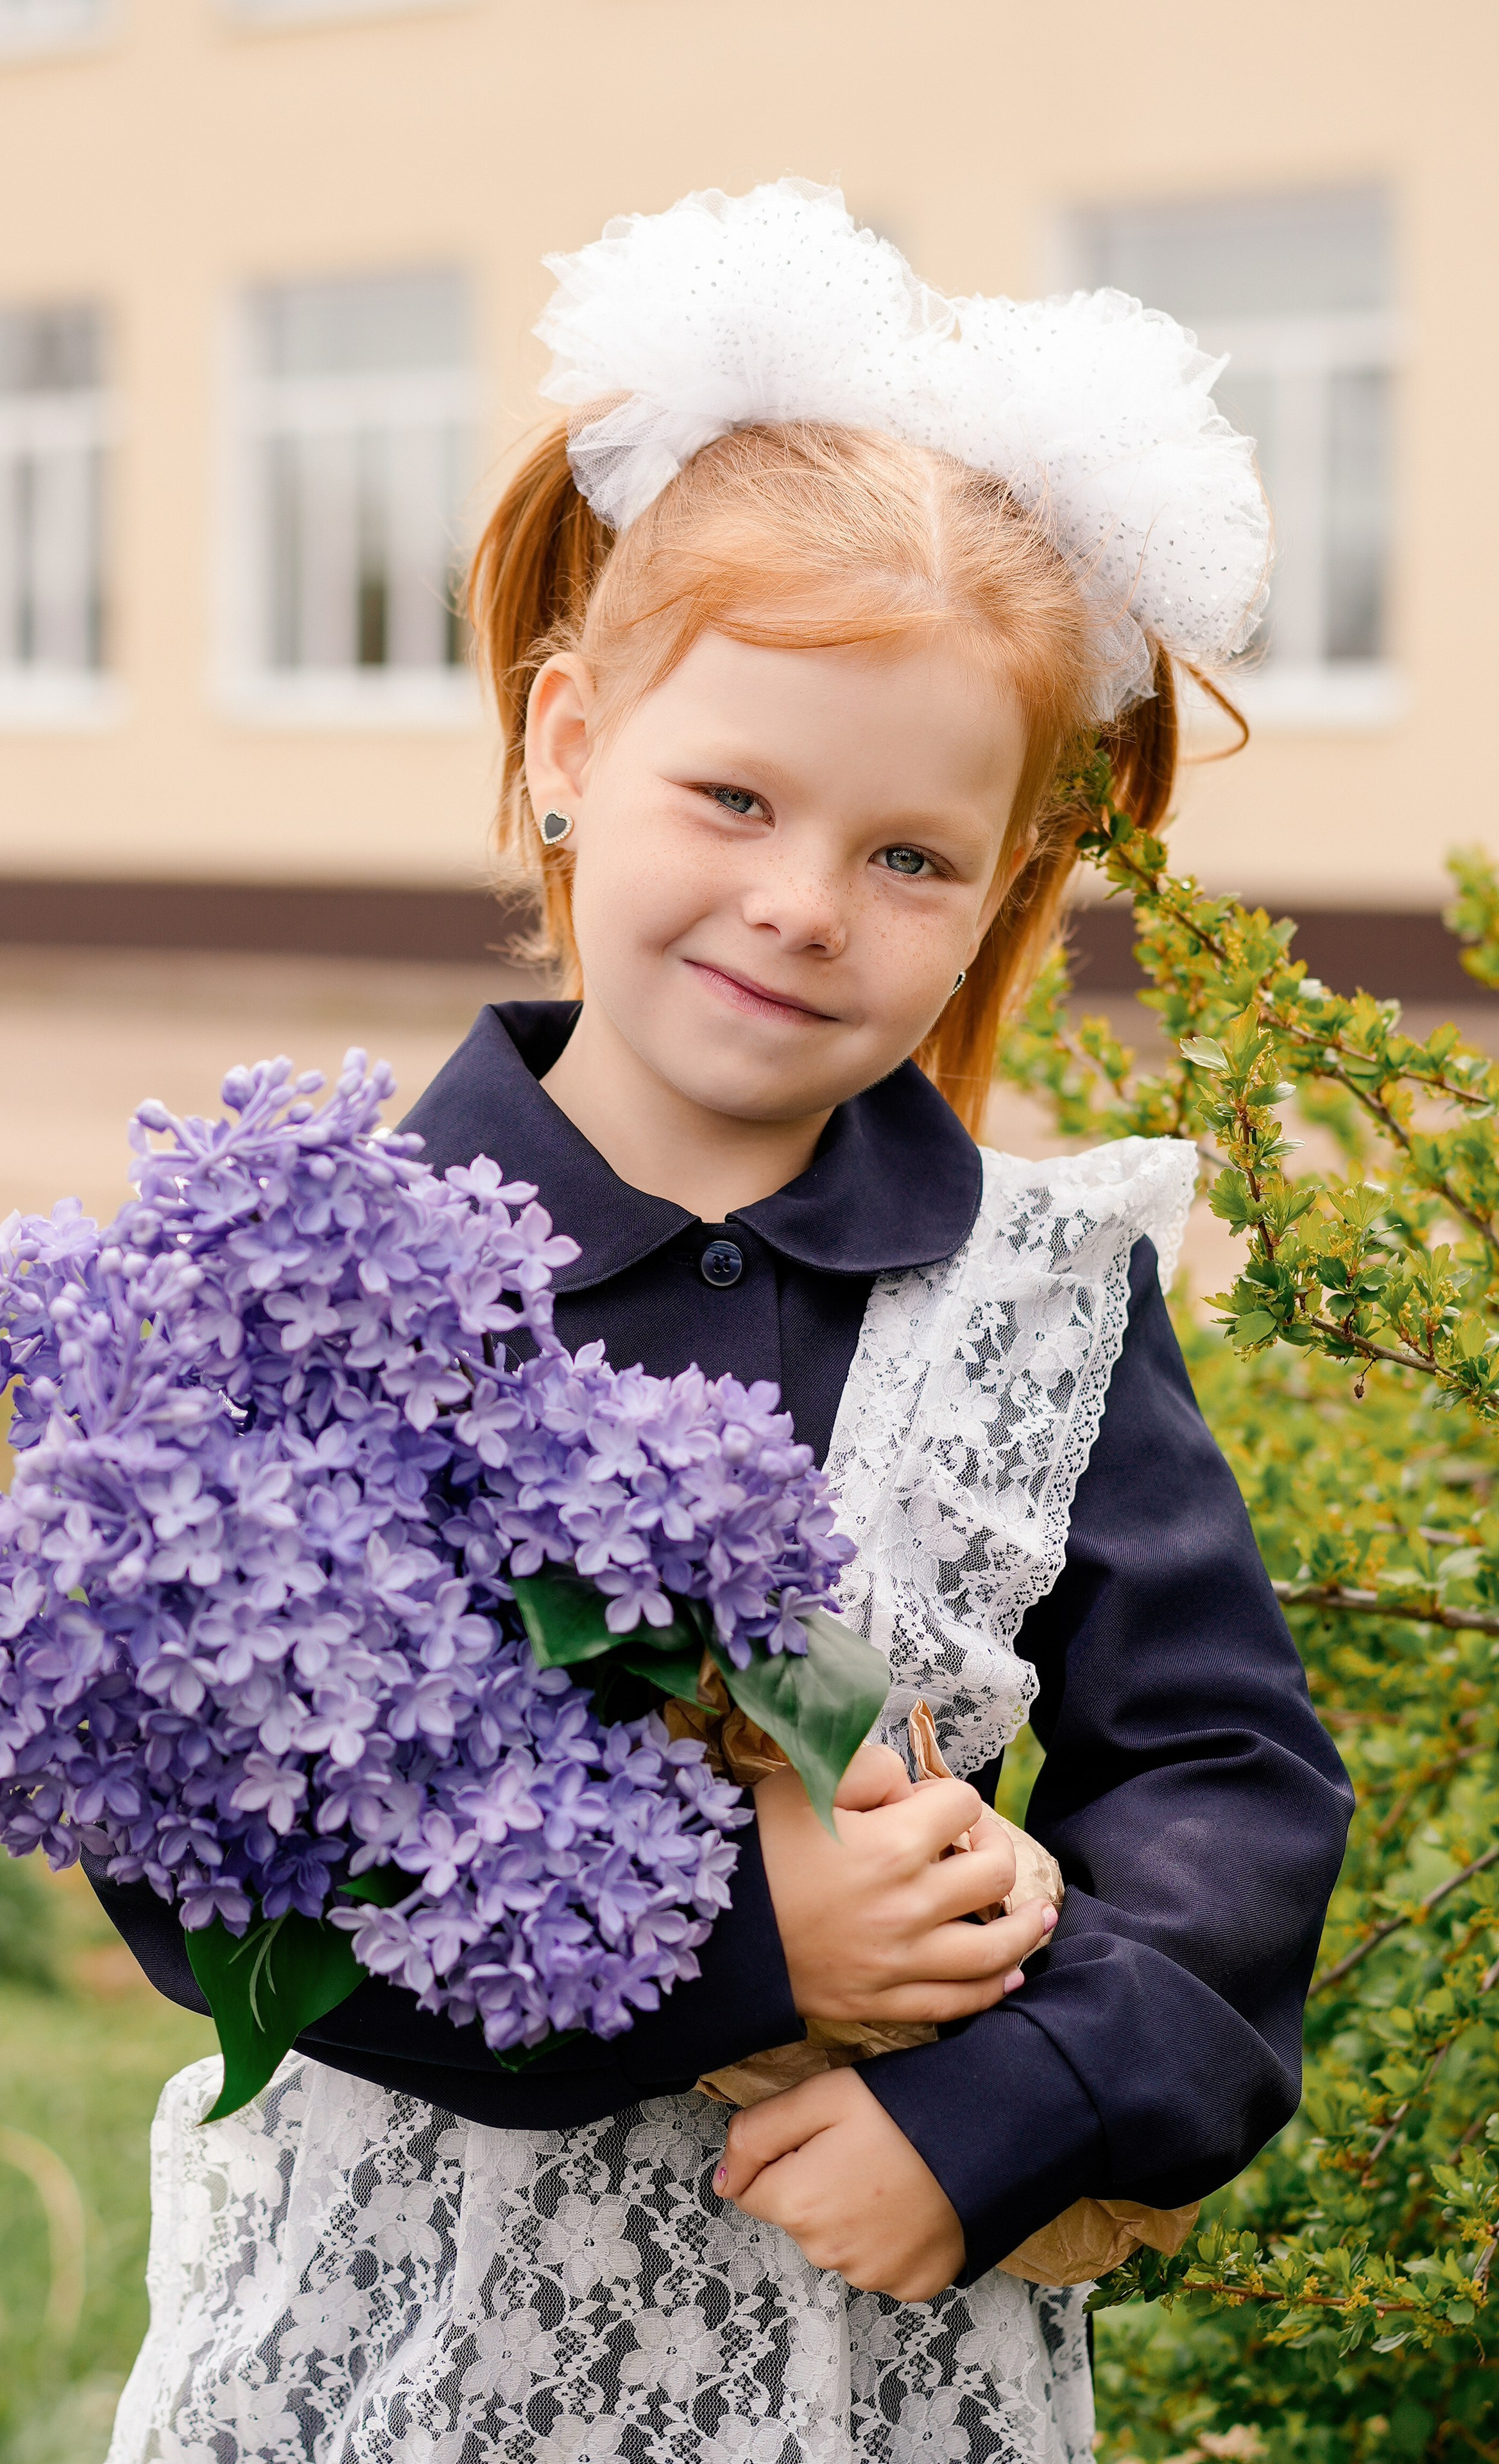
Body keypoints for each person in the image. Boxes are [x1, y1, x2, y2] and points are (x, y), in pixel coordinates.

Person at [99, 181, 1352, 2464]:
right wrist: (761, 1958)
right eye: (735, 796)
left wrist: (1006, 2102)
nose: (801, 905)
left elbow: (1229, 1782)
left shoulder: (1048, 1298)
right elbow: (210, 1874)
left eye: (908, 859)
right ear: (572, 742)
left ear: (1000, 892)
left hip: (867, 2360)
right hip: (393, 2353)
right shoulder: (332, 1280)